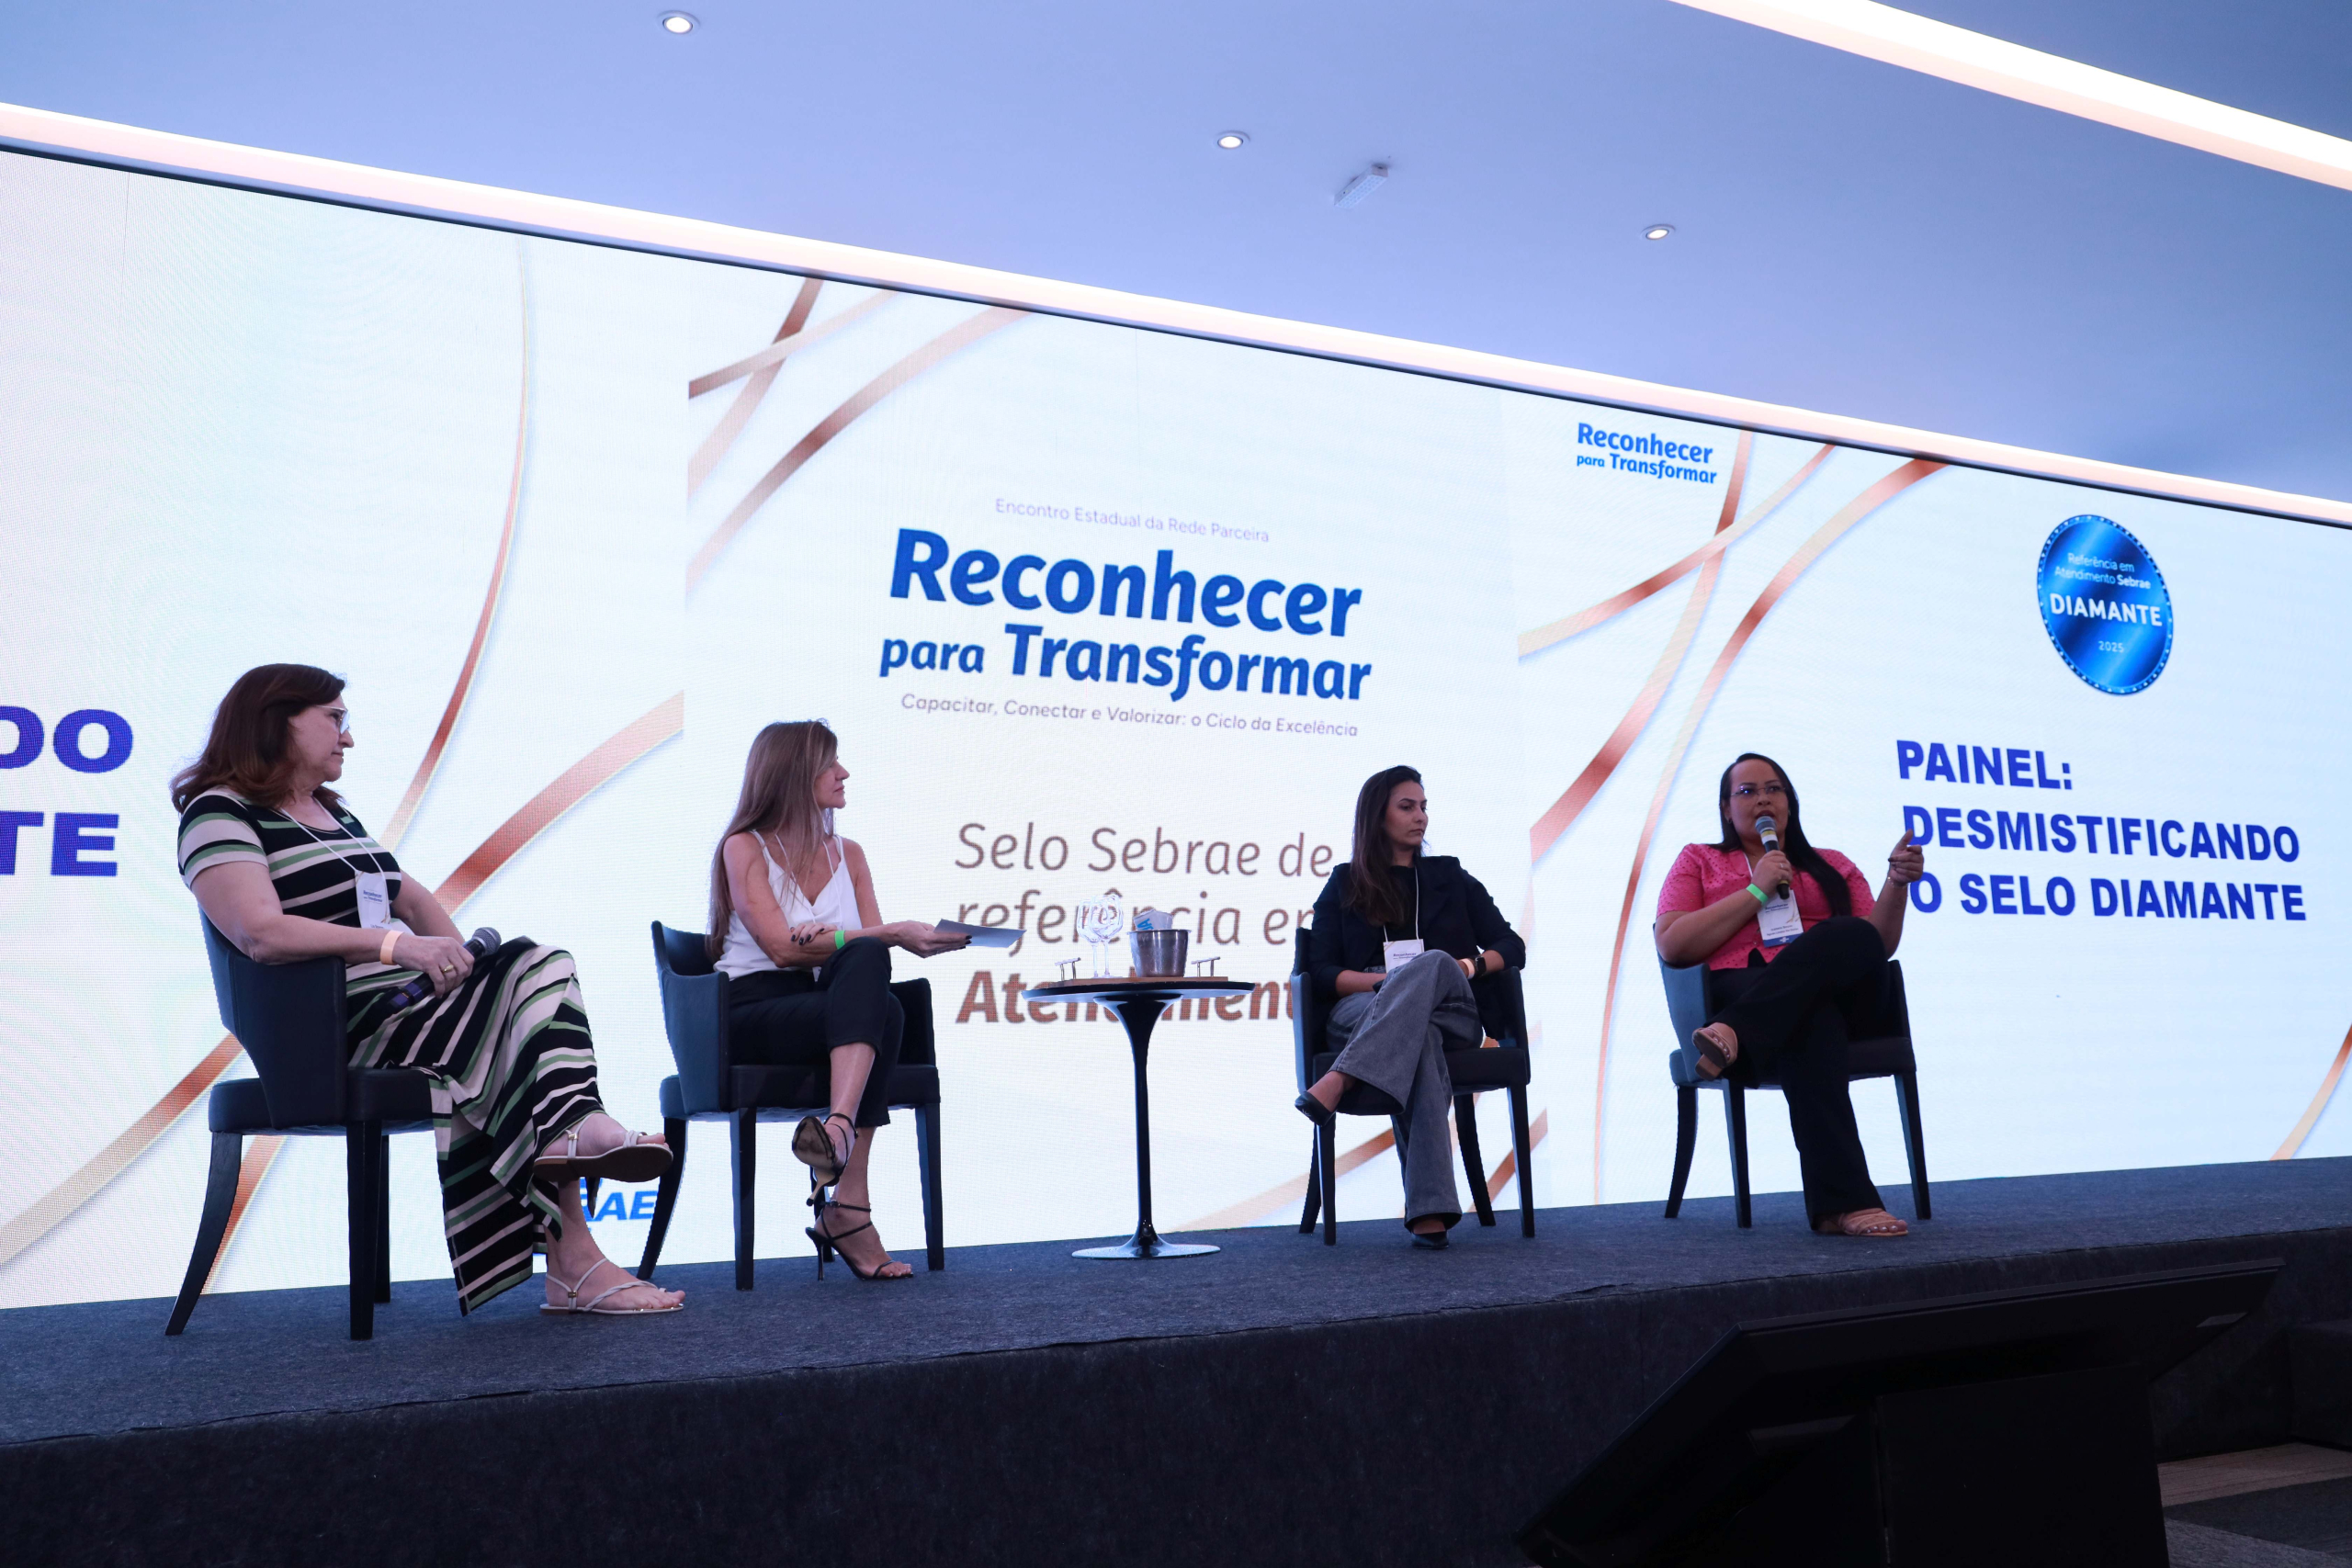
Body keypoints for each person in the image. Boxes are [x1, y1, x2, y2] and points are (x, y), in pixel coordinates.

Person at [175, 664, 682, 1316]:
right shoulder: (218, 812)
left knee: (536, 965)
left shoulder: (333, 813)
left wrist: (461, 969)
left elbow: (409, 898)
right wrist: (398, 948)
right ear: (278, 720)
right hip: (332, 1028)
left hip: (414, 1014)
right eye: (335, 719)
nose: (348, 737)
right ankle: (575, 1237)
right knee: (517, 1029)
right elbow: (260, 933)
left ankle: (573, 1160)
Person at [709, 720, 968, 1280]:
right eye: (830, 764)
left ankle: (838, 1135)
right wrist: (878, 934)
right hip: (753, 1013)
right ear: (793, 773)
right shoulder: (743, 847)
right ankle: (850, 1204)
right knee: (881, 997)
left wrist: (845, 939)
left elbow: (867, 951)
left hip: (824, 1004)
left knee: (879, 987)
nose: (843, 773)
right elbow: (781, 949)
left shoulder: (850, 854)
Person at [1653, 751, 1926, 1238]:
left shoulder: (1833, 864)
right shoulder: (1698, 860)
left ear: (1789, 802)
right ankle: (1843, 1206)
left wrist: (1897, 884)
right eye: (1747, 791)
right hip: (1758, 990)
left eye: (1773, 788)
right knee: (1810, 1018)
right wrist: (1756, 891)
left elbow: (1876, 945)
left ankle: (1734, 1031)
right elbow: (1672, 945)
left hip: (1843, 1001)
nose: (1762, 798)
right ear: (1725, 808)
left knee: (1851, 936)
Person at [1298, 766, 1526, 1249]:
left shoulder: (1450, 876)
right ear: (1376, 816)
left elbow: (1512, 945)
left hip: (1452, 1005)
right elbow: (1319, 970)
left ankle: (1340, 1077)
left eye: (1423, 807)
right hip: (1365, 1006)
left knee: (1435, 962)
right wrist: (1389, 985)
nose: (1420, 816)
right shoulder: (1345, 883)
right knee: (1417, 1033)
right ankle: (1430, 1209)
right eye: (1407, 807)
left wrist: (1465, 966)